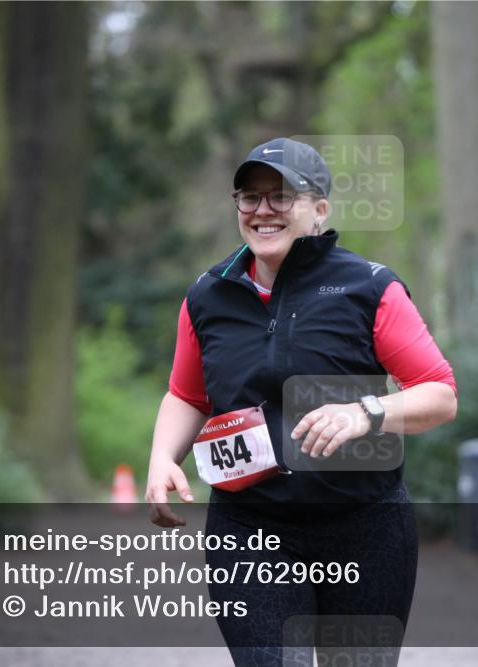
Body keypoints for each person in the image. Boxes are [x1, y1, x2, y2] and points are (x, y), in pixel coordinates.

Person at [146, 137, 457, 666]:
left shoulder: (369, 287)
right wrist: (161, 459)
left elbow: (440, 393)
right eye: (250, 196)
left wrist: (367, 413)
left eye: (282, 196)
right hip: (250, 528)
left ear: (319, 210)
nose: (263, 210)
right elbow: (186, 394)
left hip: (367, 529)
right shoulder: (207, 295)